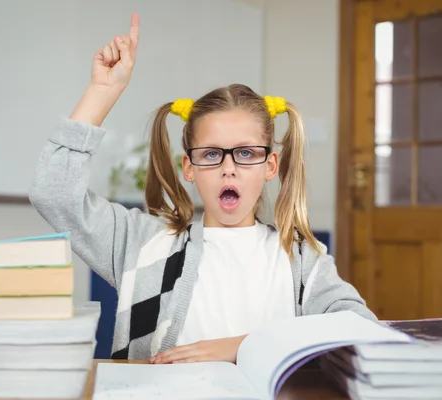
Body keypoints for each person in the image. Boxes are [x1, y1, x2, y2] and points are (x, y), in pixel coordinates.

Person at [29, 13, 376, 365]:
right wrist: (101, 93)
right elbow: (54, 193)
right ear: (189, 168)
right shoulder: (142, 245)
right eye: (211, 154)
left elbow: (360, 329)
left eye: (245, 153)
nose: (229, 168)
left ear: (270, 166)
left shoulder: (301, 259)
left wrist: (244, 345)